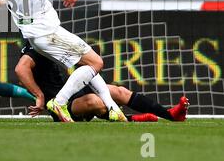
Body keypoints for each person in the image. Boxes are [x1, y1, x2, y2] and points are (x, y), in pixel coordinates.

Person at [16, 41, 190, 122]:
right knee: (96, 102)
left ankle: (171, 115)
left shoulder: (55, 40)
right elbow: (20, 69)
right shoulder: (36, 46)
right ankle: (132, 119)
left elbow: (88, 69)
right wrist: (39, 95)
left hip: (72, 92)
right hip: (59, 104)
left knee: (118, 91)